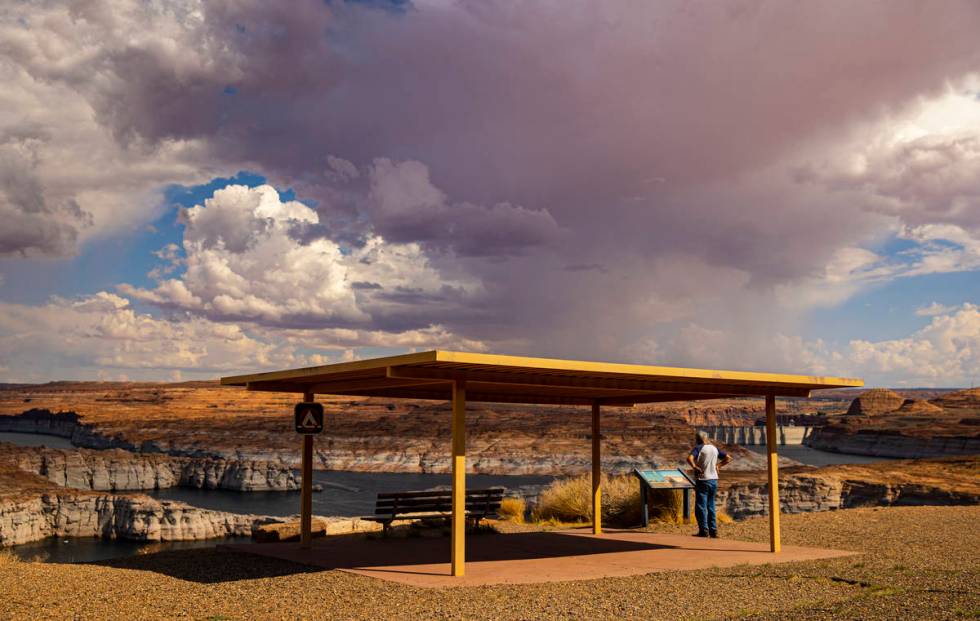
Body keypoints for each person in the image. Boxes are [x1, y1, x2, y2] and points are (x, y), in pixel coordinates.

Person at [686, 431, 731, 538]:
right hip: (714, 480)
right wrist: (719, 466)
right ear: (706, 438)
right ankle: (713, 530)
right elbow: (728, 458)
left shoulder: (699, 448)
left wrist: (694, 467)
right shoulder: (714, 448)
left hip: (703, 480)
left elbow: (689, 458)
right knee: (711, 506)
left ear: (698, 439)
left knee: (701, 506)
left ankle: (704, 530)